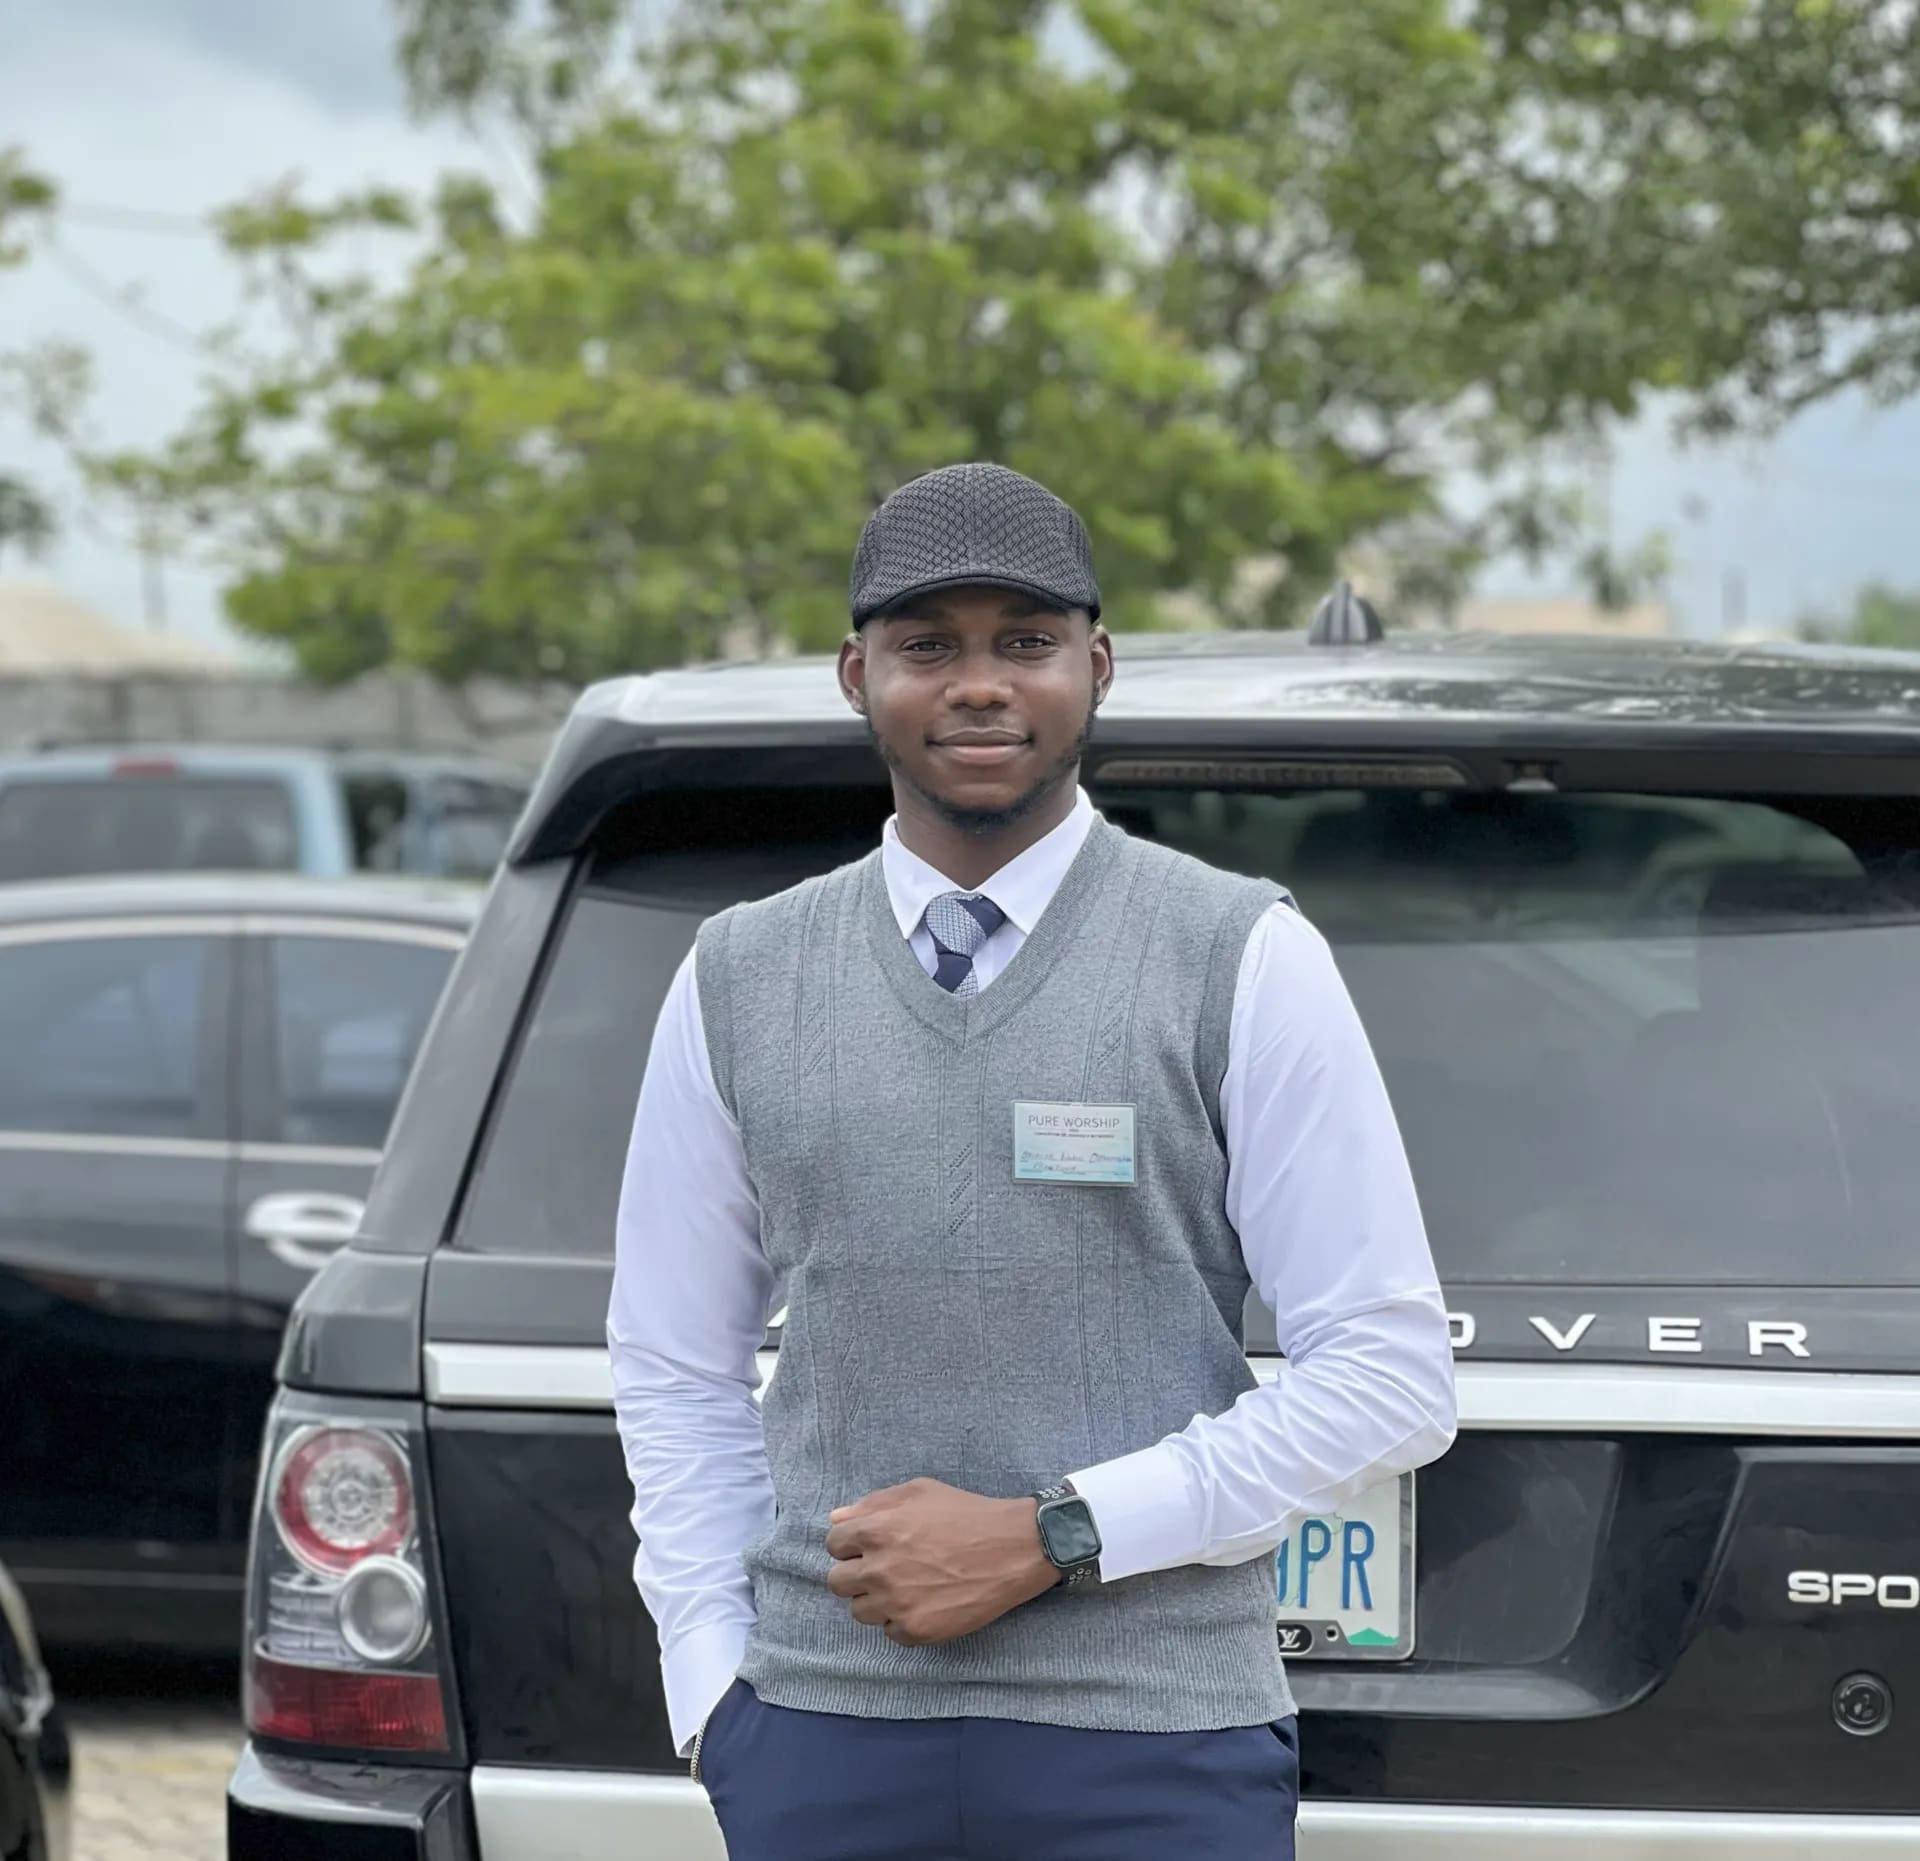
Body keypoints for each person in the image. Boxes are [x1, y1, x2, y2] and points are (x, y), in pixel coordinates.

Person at [608, 462, 1458, 1860]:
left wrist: (1059, 1532)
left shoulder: (1242, 954)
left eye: (1026, 640)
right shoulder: (738, 976)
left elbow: (1390, 1374)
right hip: (820, 1735)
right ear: (858, 674)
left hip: (1156, 1745)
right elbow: (672, 1363)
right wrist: (712, 1685)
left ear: (1096, 665)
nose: (980, 685)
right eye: (927, 645)